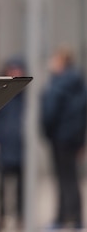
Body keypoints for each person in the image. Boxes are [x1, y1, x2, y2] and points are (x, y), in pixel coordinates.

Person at [41, 46, 87, 230]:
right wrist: (81, 141)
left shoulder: (58, 84)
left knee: (62, 180)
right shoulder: (78, 83)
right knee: (72, 179)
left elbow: (50, 113)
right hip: (73, 138)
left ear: (61, 61)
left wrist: (47, 132)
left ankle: (62, 219)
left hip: (59, 138)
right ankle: (75, 219)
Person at [0, 56, 27, 231]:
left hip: (21, 146)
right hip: (5, 145)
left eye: (17, 70)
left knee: (21, 187)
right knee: (2, 187)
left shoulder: (27, 96)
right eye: (12, 70)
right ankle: (1, 217)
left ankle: (21, 218)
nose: (15, 73)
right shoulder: (2, 93)